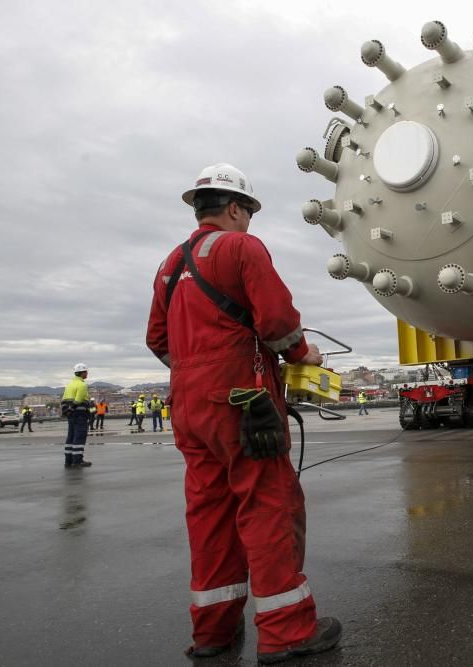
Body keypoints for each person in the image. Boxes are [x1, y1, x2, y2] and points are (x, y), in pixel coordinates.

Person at [146, 163, 341, 663]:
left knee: (209, 515)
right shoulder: (241, 248)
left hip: (188, 405)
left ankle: (213, 631)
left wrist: (196, 367)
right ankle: (288, 631)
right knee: (267, 505)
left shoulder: (169, 265)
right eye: (248, 212)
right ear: (234, 207)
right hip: (242, 401)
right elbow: (277, 322)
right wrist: (303, 357)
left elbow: (157, 340)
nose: (249, 222)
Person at [61, 363, 92, 467]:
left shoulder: (69, 385)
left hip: (71, 415)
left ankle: (68, 461)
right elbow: (78, 400)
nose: (87, 373)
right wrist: (73, 408)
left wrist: (67, 411)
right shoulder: (82, 385)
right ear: (82, 373)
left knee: (71, 436)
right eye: (86, 371)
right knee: (80, 436)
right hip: (80, 414)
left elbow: (64, 400)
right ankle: (77, 461)